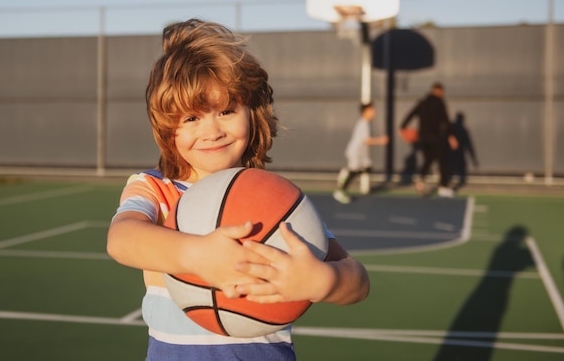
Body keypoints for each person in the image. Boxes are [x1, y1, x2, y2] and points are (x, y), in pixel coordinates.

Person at [106, 19, 370, 361]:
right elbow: (122, 239)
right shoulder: (157, 188)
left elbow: (358, 280)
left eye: (226, 111)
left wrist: (324, 281)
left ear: (253, 113)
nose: (211, 130)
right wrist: (196, 254)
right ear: (166, 127)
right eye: (191, 118)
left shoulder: (276, 201)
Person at [400, 82, 458, 197]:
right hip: (436, 138)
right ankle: (444, 187)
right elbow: (445, 120)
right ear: (439, 91)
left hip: (423, 139)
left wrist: (403, 127)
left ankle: (421, 180)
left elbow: (411, 114)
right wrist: (451, 135)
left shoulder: (422, 102)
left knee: (428, 160)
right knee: (443, 162)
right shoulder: (439, 103)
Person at [333, 102, 388, 204]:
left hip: (361, 154)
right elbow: (366, 140)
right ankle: (340, 190)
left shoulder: (365, 123)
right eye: (372, 110)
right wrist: (381, 140)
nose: (373, 113)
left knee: (367, 168)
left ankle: (345, 175)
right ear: (366, 111)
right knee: (354, 170)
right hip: (355, 153)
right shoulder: (363, 123)